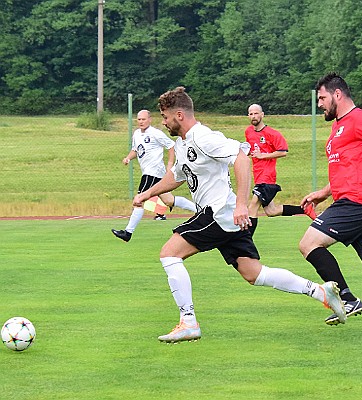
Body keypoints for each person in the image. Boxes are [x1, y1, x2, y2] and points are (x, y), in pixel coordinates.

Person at [133, 86, 345, 343]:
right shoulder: (183, 144)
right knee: (254, 273)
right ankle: (321, 292)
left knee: (169, 253)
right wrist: (147, 195)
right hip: (224, 217)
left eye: (165, 117)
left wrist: (241, 205)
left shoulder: (203, 137)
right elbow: (174, 177)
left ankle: (188, 322)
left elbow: (241, 158)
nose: (163, 122)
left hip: (219, 212)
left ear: (179, 115)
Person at [299, 72, 362, 325]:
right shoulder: (338, 126)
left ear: (337, 94)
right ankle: (350, 298)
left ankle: (346, 298)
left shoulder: (359, 118)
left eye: (322, 98)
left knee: (309, 243)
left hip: (358, 202)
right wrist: (323, 193)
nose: (319, 103)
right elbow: (346, 168)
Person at [111, 109, 196, 242]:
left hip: (153, 172)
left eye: (143, 119)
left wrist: (169, 164)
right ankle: (199, 209)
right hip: (151, 172)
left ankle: (128, 233)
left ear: (149, 120)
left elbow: (171, 145)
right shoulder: (137, 134)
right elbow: (136, 150)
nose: (141, 122)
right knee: (169, 200)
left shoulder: (156, 133)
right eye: (139, 119)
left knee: (138, 200)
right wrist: (128, 158)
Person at [245, 104, 316, 235]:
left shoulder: (272, 133)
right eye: (251, 114)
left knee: (252, 207)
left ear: (262, 114)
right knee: (271, 211)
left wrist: (264, 155)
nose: (253, 116)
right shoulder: (248, 131)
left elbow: (283, 151)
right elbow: (252, 149)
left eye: (256, 113)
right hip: (257, 175)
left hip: (267, 177)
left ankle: (245, 242)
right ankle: (304, 209)